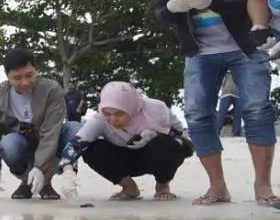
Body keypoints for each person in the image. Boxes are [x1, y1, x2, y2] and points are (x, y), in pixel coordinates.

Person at [155, 0, 276, 205]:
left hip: (244, 44)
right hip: (199, 51)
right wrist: (172, 8)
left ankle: (263, 187)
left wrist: (212, 0)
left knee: (258, 110)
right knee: (197, 115)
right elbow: (159, 12)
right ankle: (217, 186)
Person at [56, 82, 194, 202]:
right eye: (107, 114)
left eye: (119, 114)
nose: (113, 120)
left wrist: (156, 134)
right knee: (91, 149)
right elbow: (76, 144)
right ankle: (129, 187)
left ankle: (162, 185)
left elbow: (182, 137)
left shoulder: (156, 110)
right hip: (125, 158)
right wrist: (68, 170)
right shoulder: (100, 120)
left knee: (163, 144)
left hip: (156, 154)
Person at [0, 48, 80, 200]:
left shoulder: (52, 90)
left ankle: (45, 181)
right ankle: (26, 182)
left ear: (36, 70)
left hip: (50, 140)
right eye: (17, 78)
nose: (25, 82)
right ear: (7, 76)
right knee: (9, 143)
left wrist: (39, 166)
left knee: (75, 129)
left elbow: (50, 134)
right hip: (21, 143)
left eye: (29, 75)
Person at [215, 73, 242, 137]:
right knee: (238, 115)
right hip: (237, 93)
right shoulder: (241, 70)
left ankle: (216, 132)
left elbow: (222, 84)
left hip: (226, 91)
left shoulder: (227, 73)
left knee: (221, 113)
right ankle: (236, 133)